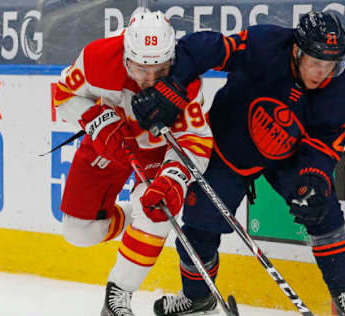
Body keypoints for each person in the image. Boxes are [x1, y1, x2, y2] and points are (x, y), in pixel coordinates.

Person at [137, 11, 345, 316]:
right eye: (315, 63)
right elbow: (204, 49)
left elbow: (324, 147)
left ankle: (344, 298)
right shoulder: (266, 45)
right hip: (228, 146)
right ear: (296, 50)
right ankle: (198, 298)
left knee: (324, 208)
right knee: (198, 229)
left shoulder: (341, 95)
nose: (321, 73)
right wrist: (171, 86)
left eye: (330, 65)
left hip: (288, 159)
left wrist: (314, 179)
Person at [53, 10, 213, 316]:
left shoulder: (187, 81)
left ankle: (118, 297)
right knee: (79, 232)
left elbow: (197, 140)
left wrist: (173, 178)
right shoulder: (97, 57)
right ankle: (132, 213)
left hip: (156, 151)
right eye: (141, 69)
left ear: (172, 61)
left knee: (157, 208)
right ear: (126, 55)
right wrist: (95, 119)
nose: (149, 81)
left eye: (160, 70)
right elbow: (64, 94)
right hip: (109, 141)